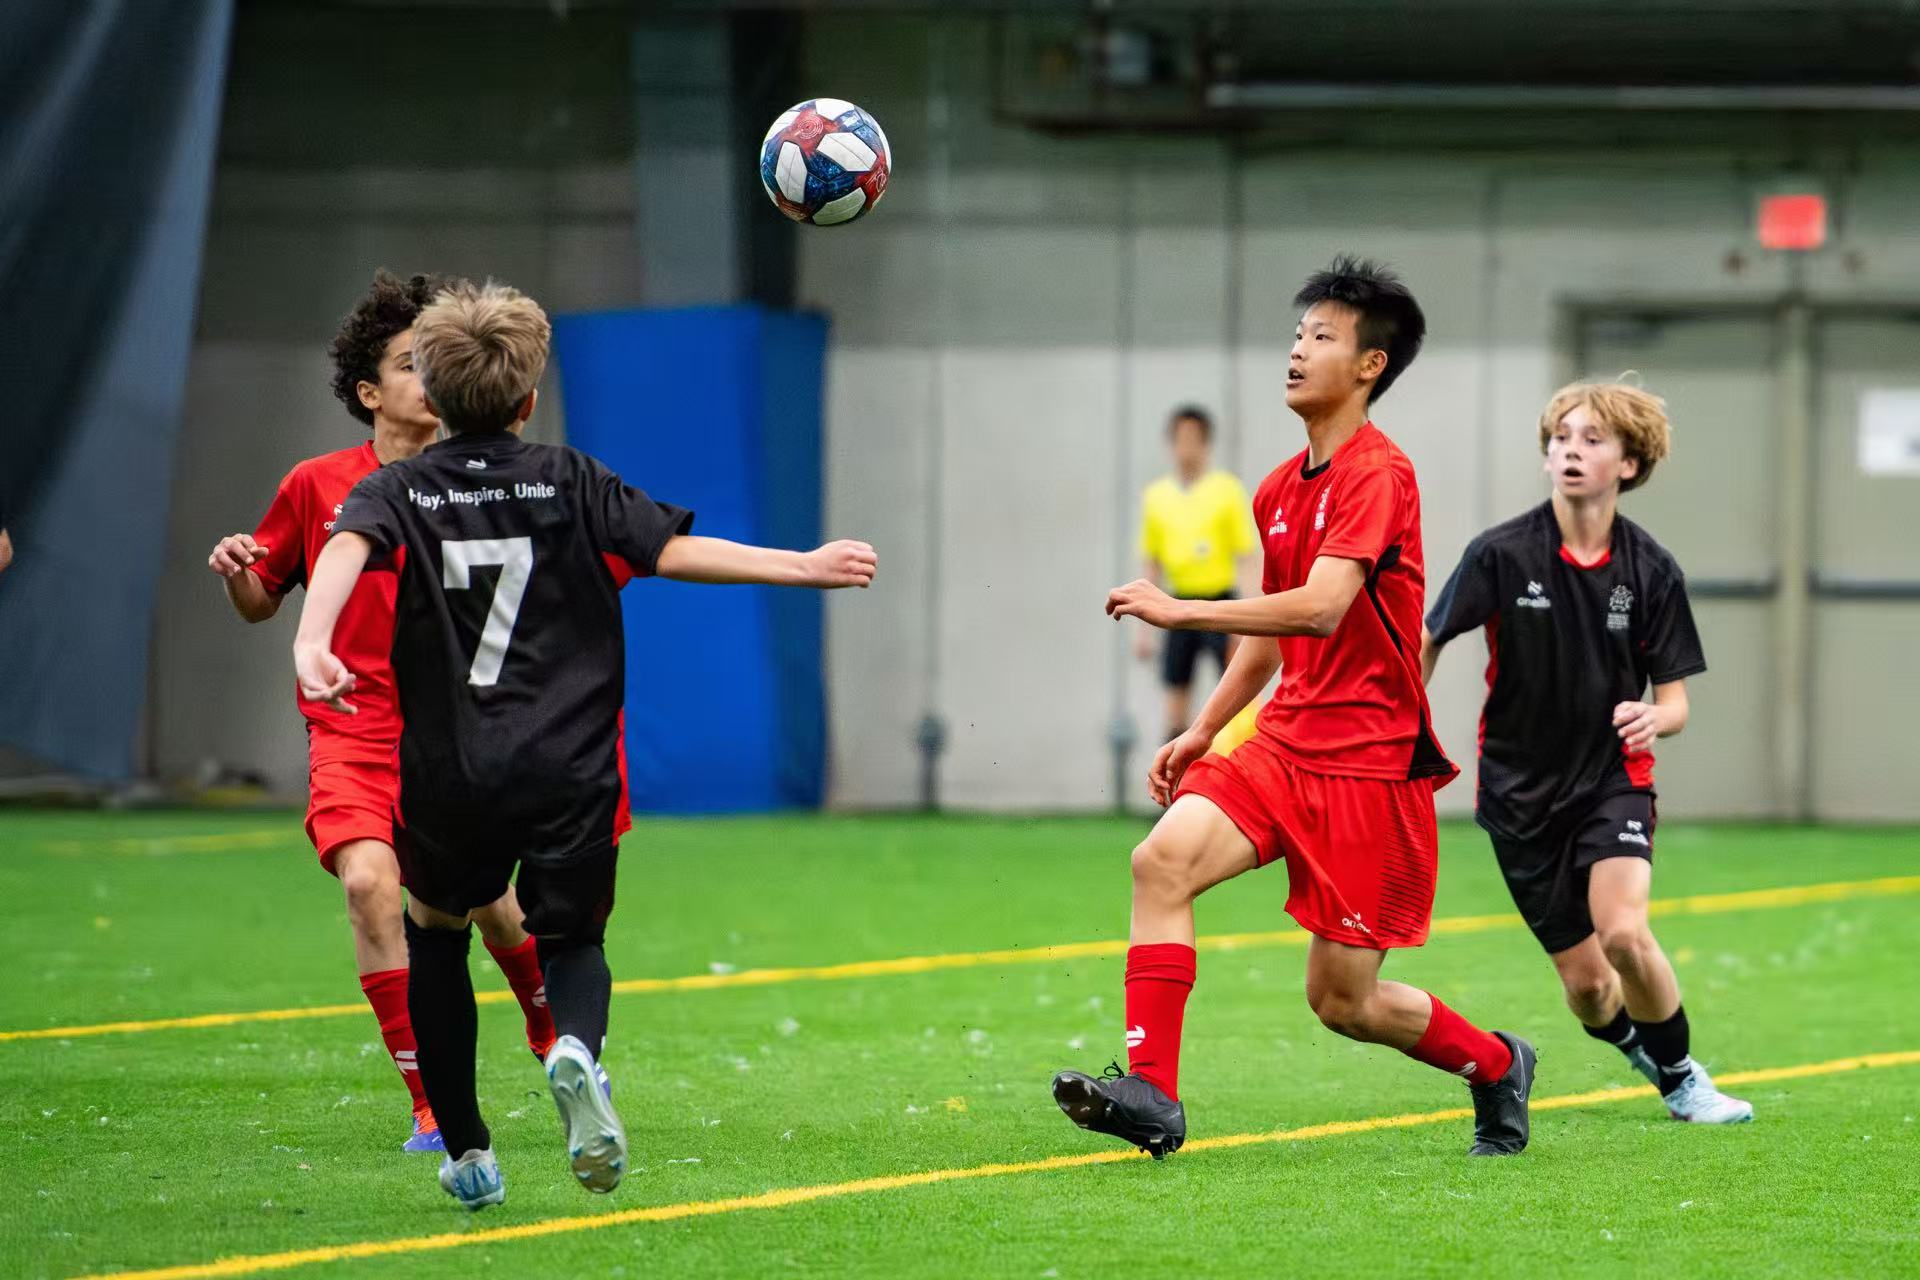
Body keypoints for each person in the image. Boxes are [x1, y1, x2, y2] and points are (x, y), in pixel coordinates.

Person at [292, 279, 877, 1210]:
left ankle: (470, 1154)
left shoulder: (394, 487)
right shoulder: (570, 478)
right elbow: (675, 554)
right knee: (573, 939)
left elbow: (345, 549)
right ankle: (574, 1047)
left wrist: (312, 637)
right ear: (528, 399)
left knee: (438, 936)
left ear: (433, 399)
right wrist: (802, 566)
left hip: (449, 768)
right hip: (569, 767)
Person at [1052, 256, 1534, 1160]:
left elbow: (1320, 607)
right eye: (1297, 334)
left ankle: (1499, 1062)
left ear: (1369, 367)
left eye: (1321, 337)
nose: (1297, 350)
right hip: (1282, 744)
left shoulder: (1380, 475)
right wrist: (1202, 729)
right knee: (1159, 863)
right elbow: (1273, 643)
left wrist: (1180, 604)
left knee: (1343, 1003)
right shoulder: (1276, 490)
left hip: (1369, 766)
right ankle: (1152, 1092)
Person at [206, 271, 556, 1154]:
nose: (430, 382)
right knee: (371, 885)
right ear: (370, 392)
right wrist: (243, 571)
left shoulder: (480, 482)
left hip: (459, 735)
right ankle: (430, 1102)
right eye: (410, 364)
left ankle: (553, 1034)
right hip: (355, 733)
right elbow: (264, 599)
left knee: (494, 909)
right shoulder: (319, 485)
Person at [1421, 379, 1751, 1124]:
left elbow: (1676, 702)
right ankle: (1639, 1046)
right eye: (1561, 438)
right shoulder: (1501, 554)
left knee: (1625, 932)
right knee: (1591, 989)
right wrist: (1402, 726)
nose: (1572, 449)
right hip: (1517, 795)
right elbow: (1429, 636)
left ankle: (1681, 1079)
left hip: (1612, 780)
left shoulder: (1652, 570)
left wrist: (1652, 718)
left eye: (1592, 439)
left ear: (1629, 464)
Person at [1135, 406, 1259, 745]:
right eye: (1180, 440)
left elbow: (1245, 556)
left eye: (1193, 440)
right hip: (1177, 605)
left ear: (1206, 444)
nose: (1186, 448)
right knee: (1175, 699)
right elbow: (1152, 564)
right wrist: (1144, 631)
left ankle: (1234, 778)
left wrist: (1249, 617)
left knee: (1235, 697)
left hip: (1220, 603)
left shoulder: (1227, 491)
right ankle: (1171, 785)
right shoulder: (1157, 497)